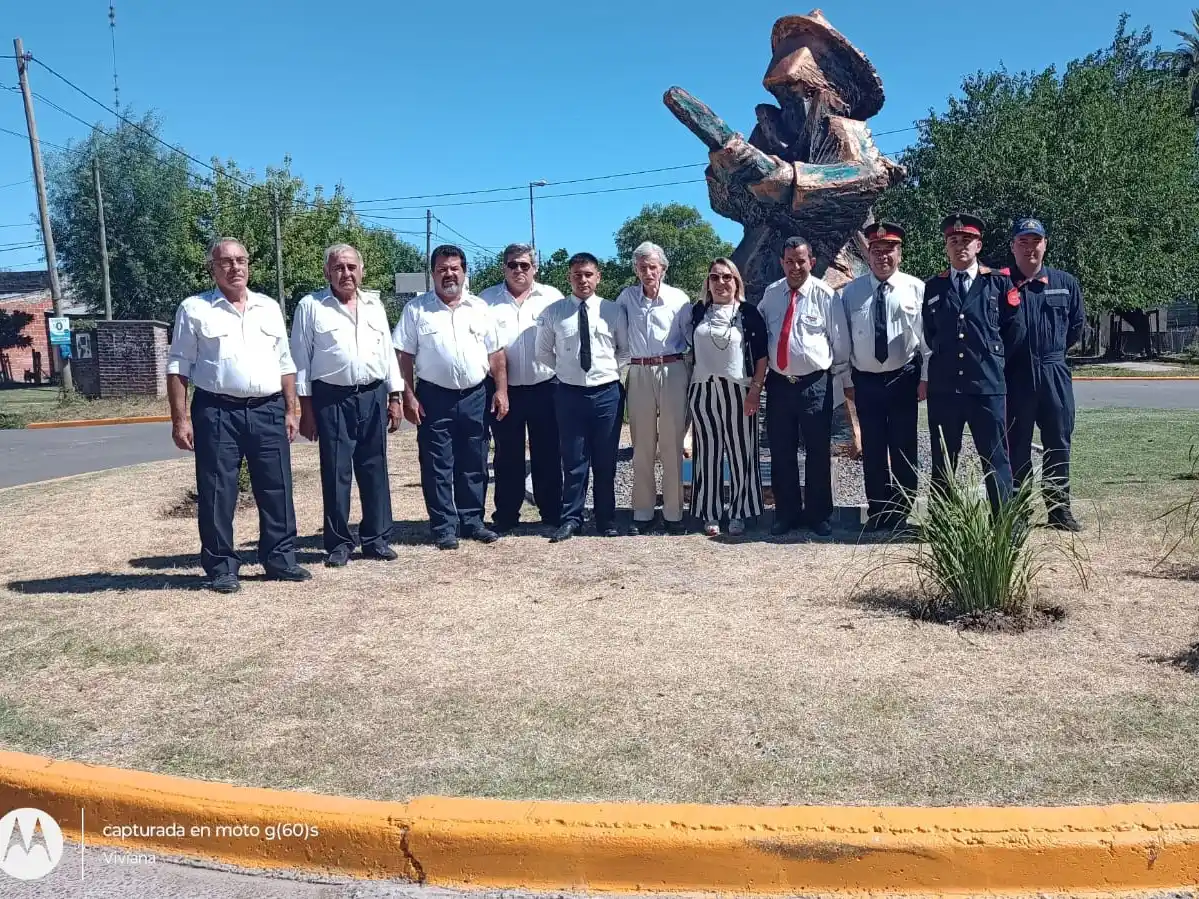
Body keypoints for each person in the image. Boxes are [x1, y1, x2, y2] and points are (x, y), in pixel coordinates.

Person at [165, 238, 311, 593]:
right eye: (226, 262)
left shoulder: (269, 307)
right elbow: (178, 366)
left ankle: (279, 558)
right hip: (217, 411)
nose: (235, 267)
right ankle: (221, 567)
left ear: (249, 265)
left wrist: (292, 408)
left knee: (276, 486)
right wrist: (180, 419)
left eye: (241, 260)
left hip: (267, 409)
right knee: (217, 491)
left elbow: (284, 362)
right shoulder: (194, 309)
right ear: (212, 269)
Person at [290, 243, 403, 567]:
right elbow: (301, 362)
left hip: (373, 394)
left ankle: (376, 538)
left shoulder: (375, 306)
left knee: (374, 468)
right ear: (327, 272)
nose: (346, 273)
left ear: (361, 271)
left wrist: (394, 396)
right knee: (336, 471)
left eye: (352, 267)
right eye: (339, 267)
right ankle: (338, 543)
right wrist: (306, 410)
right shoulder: (310, 306)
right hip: (331, 398)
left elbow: (387, 353)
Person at [394, 244, 508, 550]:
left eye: (454, 268)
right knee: (436, 464)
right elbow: (403, 355)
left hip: (475, 395)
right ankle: (444, 526)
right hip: (434, 397)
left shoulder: (480, 308)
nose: (449, 274)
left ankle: (472, 521)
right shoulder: (416, 310)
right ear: (432, 273)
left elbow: (495, 354)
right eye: (442, 269)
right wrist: (408, 395)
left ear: (464, 271)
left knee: (475, 460)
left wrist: (501, 390)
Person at [923, 213, 1025, 515]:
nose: (960, 246)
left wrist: (991, 362)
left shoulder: (998, 283)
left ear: (978, 245)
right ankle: (942, 522)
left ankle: (1004, 521)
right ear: (946, 247)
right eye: (953, 241)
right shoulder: (934, 286)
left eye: (966, 240)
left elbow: (1014, 332)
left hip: (986, 387)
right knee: (943, 459)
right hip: (945, 389)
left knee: (995, 457)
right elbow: (931, 333)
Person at [757, 236, 851, 537]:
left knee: (817, 451)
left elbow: (840, 343)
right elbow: (760, 335)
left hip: (815, 384)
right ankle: (785, 514)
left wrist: (836, 382)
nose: (795, 267)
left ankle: (818, 515)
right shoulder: (771, 295)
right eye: (789, 261)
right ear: (782, 262)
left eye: (801, 260)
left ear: (811, 261)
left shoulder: (825, 295)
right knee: (781, 452)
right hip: (780, 385)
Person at [838, 223, 927, 532]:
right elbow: (843, 340)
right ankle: (878, 511)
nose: (882, 256)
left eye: (889, 250)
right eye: (876, 251)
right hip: (866, 380)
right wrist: (847, 380)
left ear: (899, 253)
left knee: (904, 448)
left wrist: (925, 377)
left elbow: (925, 340)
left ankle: (902, 511)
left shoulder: (916, 288)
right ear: (869, 254)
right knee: (873, 449)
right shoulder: (852, 292)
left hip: (903, 378)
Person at [535, 252, 629, 542]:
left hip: (607, 394)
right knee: (573, 461)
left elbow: (624, 350)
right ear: (569, 278)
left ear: (598, 277)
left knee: (605, 460)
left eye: (588, 274)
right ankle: (571, 519)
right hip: (569, 394)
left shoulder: (613, 311)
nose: (583, 280)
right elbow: (542, 352)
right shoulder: (554, 312)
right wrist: (569, 373)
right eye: (577, 274)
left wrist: (603, 374)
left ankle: (606, 519)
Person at [1003, 217, 1085, 531]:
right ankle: (1019, 512)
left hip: (1054, 371)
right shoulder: (1000, 283)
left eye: (1035, 241)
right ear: (1013, 247)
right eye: (1022, 242)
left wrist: (1051, 354)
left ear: (1045, 244)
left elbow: (1075, 328)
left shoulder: (1066, 283)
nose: (1029, 248)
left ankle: (1059, 510)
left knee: (1058, 441)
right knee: (1016, 444)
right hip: (1016, 374)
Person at [479, 244, 564, 532]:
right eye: (513, 264)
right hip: (505, 390)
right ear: (503, 267)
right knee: (506, 454)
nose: (518, 270)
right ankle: (506, 515)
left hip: (546, 387)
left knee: (548, 453)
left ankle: (552, 512)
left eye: (524, 265)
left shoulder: (552, 297)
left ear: (535, 268)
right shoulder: (485, 301)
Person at [614, 242, 692, 535]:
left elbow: (689, 337)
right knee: (642, 444)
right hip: (639, 369)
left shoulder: (678, 299)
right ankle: (643, 512)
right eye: (643, 267)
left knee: (672, 443)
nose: (648, 272)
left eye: (653, 267)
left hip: (671, 368)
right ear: (636, 269)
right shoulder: (626, 298)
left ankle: (673, 513)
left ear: (663, 268)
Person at [686, 258, 768, 536]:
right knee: (707, 454)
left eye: (726, 277)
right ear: (708, 283)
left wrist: (755, 391)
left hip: (739, 390)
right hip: (703, 390)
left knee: (741, 453)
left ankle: (739, 512)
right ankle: (710, 511)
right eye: (714, 277)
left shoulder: (748, 313)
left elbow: (761, 356)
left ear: (736, 281)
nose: (720, 283)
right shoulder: (697, 312)